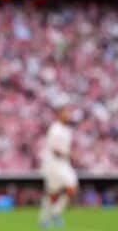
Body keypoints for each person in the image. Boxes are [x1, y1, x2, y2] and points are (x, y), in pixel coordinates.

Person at [39, 95, 78, 228]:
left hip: (63, 164)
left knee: (72, 186)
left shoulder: (67, 130)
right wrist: (70, 154)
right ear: (60, 114)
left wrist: (69, 155)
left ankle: (55, 212)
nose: (68, 115)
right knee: (52, 193)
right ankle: (45, 217)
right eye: (66, 112)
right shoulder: (55, 129)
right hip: (53, 164)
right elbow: (55, 149)